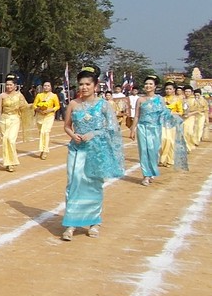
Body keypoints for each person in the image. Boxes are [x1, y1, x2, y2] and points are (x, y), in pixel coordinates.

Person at [60, 66, 124, 241]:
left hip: (97, 151)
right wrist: (73, 135)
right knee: (74, 183)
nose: (84, 87)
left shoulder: (103, 105)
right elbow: (67, 126)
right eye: (81, 84)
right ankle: (71, 223)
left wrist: (94, 134)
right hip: (77, 149)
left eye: (88, 84)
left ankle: (94, 222)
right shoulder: (73, 104)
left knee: (93, 184)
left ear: (95, 85)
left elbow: (112, 128)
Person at [129, 75, 187, 186]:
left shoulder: (160, 99)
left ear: (155, 86)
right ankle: (146, 175)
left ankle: (152, 171)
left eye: (150, 84)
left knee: (153, 150)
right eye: (146, 84)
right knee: (143, 151)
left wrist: (174, 119)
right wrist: (132, 129)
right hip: (142, 127)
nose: (148, 86)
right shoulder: (140, 99)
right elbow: (136, 115)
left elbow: (164, 113)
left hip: (155, 128)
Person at [0, 74, 29, 172]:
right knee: (5, 140)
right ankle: (8, 163)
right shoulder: (2, 95)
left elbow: (25, 107)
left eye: (10, 85)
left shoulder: (19, 95)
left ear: (15, 86)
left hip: (14, 119)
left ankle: (12, 161)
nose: (8, 86)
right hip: (4, 120)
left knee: (11, 139)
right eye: (7, 85)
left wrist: (34, 107)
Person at [33, 81, 61, 159]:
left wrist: (50, 110)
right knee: (41, 132)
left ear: (50, 87)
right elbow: (34, 105)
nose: (46, 87)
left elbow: (57, 106)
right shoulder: (39, 95)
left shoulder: (54, 96)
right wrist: (39, 110)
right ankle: (42, 149)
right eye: (45, 85)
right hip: (40, 116)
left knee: (45, 132)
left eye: (48, 86)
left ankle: (45, 150)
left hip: (49, 116)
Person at [159, 82, 183, 167]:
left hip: (172, 122)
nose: (168, 90)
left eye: (170, 89)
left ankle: (169, 160)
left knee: (171, 141)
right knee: (163, 139)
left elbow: (180, 112)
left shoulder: (177, 100)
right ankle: (162, 158)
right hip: (162, 122)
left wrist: (171, 113)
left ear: (174, 90)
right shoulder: (161, 99)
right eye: (167, 89)